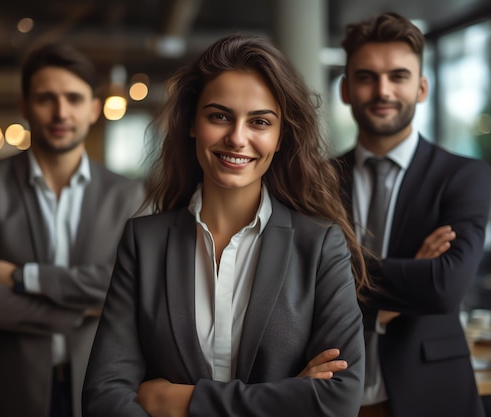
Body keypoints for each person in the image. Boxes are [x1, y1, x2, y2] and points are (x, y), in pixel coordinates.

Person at [82, 33, 368, 417]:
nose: (237, 138)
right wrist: (287, 396)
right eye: (219, 116)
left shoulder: (319, 246)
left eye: (260, 122)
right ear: (192, 124)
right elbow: (103, 396)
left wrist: (176, 402)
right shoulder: (144, 242)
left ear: (281, 135)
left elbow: (338, 401)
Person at [0, 42, 145, 417]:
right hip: (6, 387)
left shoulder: (127, 194)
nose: (61, 112)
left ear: (92, 109)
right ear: (25, 107)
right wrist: (78, 311)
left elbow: (128, 289)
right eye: (46, 99)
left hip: (98, 384)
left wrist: (25, 277)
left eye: (73, 98)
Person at [333, 12, 491, 417]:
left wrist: (338, 277)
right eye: (367, 76)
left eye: (398, 76)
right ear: (346, 89)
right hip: (330, 399)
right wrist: (409, 277)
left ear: (421, 88)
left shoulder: (464, 176)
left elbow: (444, 287)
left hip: (433, 396)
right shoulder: (314, 179)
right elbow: (292, 288)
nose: (383, 90)